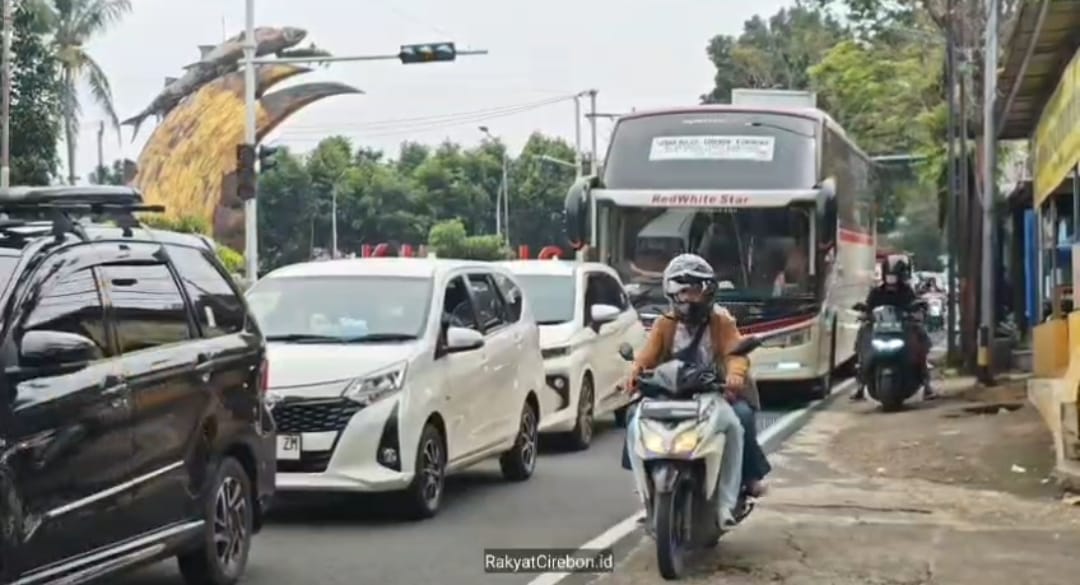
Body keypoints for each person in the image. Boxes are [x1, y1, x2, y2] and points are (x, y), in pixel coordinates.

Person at [623, 254, 771, 526]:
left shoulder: (722, 321)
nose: (689, 298)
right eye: (683, 291)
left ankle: (733, 495)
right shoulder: (663, 324)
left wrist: (736, 376)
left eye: (694, 291)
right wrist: (634, 372)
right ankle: (646, 495)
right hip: (671, 392)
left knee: (739, 421)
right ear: (671, 292)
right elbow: (647, 356)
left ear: (707, 292)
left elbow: (735, 354)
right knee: (634, 418)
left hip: (715, 390)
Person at [852, 258, 936, 401]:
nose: (891, 280)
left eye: (894, 277)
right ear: (884, 276)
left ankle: (927, 384)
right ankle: (860, 385)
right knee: (863, 336)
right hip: (880, 329)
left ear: (901, 276)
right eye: (889, 276)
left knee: (920, 335)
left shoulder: (907, 291)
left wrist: (917, 312)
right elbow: (869, 307)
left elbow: (915, 305)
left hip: (902, 328)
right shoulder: (877, 292)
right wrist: (865, 313)